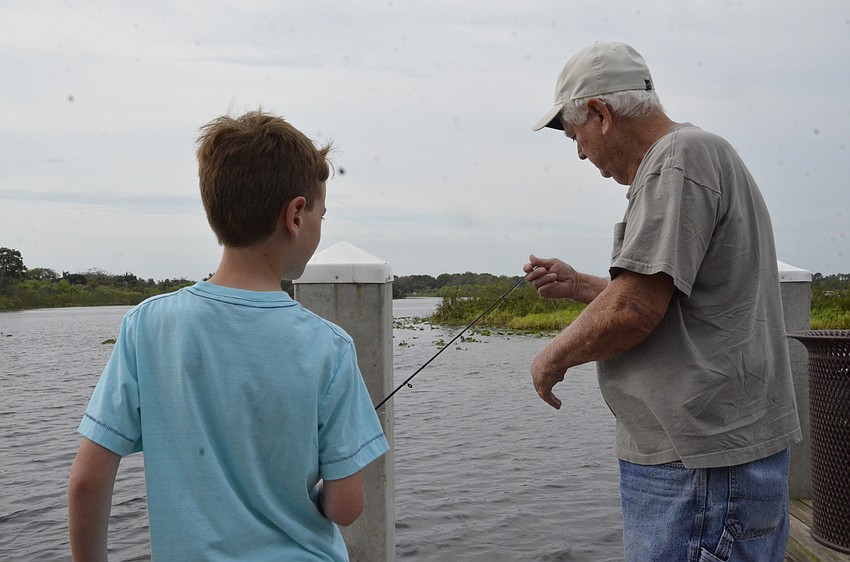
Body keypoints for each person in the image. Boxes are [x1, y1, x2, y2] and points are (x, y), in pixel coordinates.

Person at [67, 110, 389, 561]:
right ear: (296, 215)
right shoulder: (330, 347)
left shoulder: (148, 325)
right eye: (321, 214)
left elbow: (86, 482)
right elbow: (346, 506)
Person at [525, 42, 801, 561]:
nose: (579, 153)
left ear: (601, 114)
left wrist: (551, 357)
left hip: (698, 465)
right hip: (718, 458)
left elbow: (634, 311)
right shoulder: (699, 154)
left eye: (574, 135)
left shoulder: (675, 161)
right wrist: (578, 284)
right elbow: (670, 300)